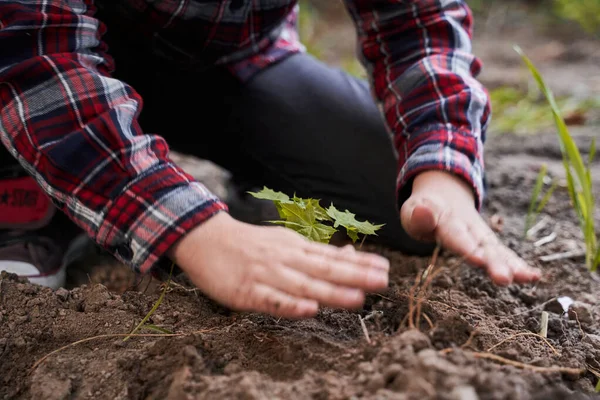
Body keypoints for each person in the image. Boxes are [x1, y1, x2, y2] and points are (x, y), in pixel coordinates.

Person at [0, 0, 540, 318]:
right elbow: (34, 55)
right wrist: (193, 230)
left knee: (387, 185)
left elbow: (416, 20)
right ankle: (29, 195)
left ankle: (254, 189)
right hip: (47, 63)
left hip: (229, 65)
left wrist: (440, 170)